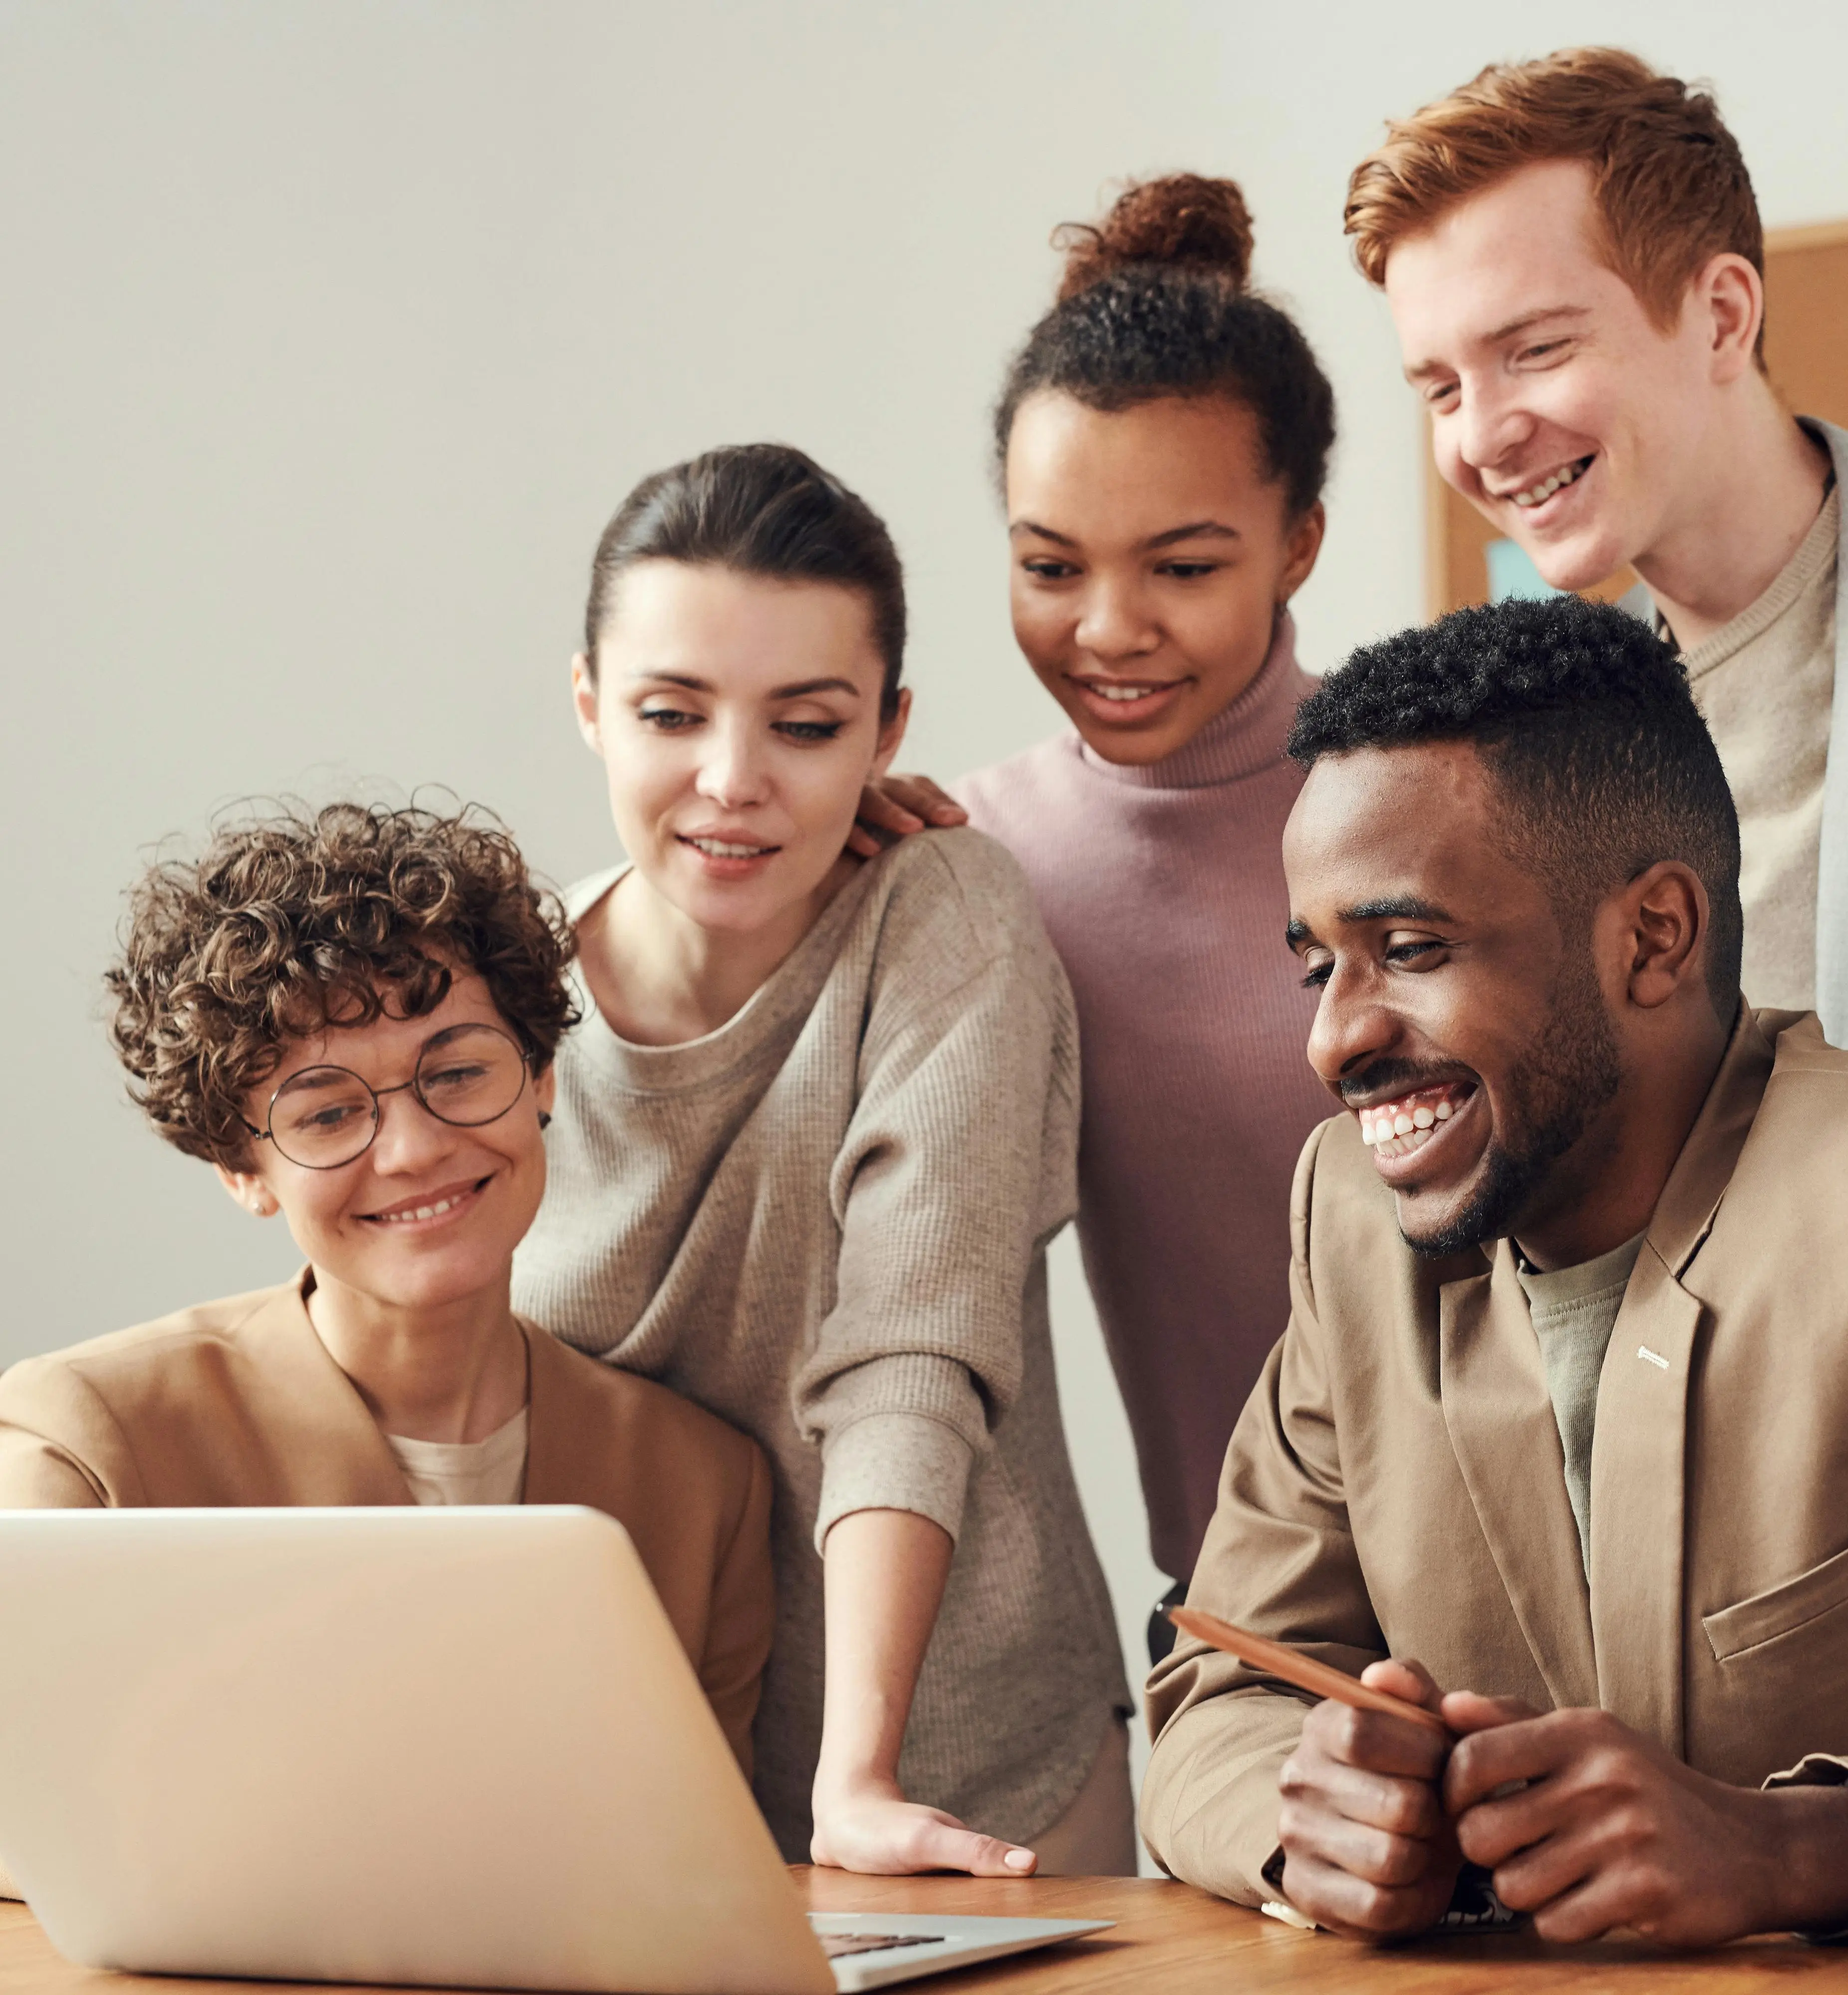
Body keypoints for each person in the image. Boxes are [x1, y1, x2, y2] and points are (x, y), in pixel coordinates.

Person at [1144, 592, 1848, 1948]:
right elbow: (1217, 1687)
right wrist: (1308, 1822)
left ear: (1653, 936)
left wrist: (1794, 1844)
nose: (1332, 1041)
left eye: (1409, 950)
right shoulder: (1354, 1219)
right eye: (1319, 966)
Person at [509, 444, 1130, 1878]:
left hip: (961, 1786)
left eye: (803, 725)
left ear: (886, 731)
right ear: (592, 705)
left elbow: (909, 1345)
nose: (732, 783)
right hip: (626, 1802)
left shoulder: (943, 917)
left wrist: (857, 1780)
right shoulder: (502, 993)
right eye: (673, 713)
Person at [0, 803, 774, 1775]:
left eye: (455, 1072)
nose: (414, 1151)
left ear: (540, 1078)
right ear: (241, 1170)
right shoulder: (87, 1449)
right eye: (326, 1114)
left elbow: (705, 1879)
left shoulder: (704, 1488)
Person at [1346, 47, 1848, 1069]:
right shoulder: (1559, 744)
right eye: (1440, 389)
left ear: (1723, 318)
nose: (1478, 439)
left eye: (1537, 350)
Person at [922, 175, 1335, 1652]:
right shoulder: (970, 856)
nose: (1106, 628)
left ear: (1297, 543)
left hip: (1559, 1590)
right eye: (1049, 566)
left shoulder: (1433, 795)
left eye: (1182, 565)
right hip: (1239, 1621)